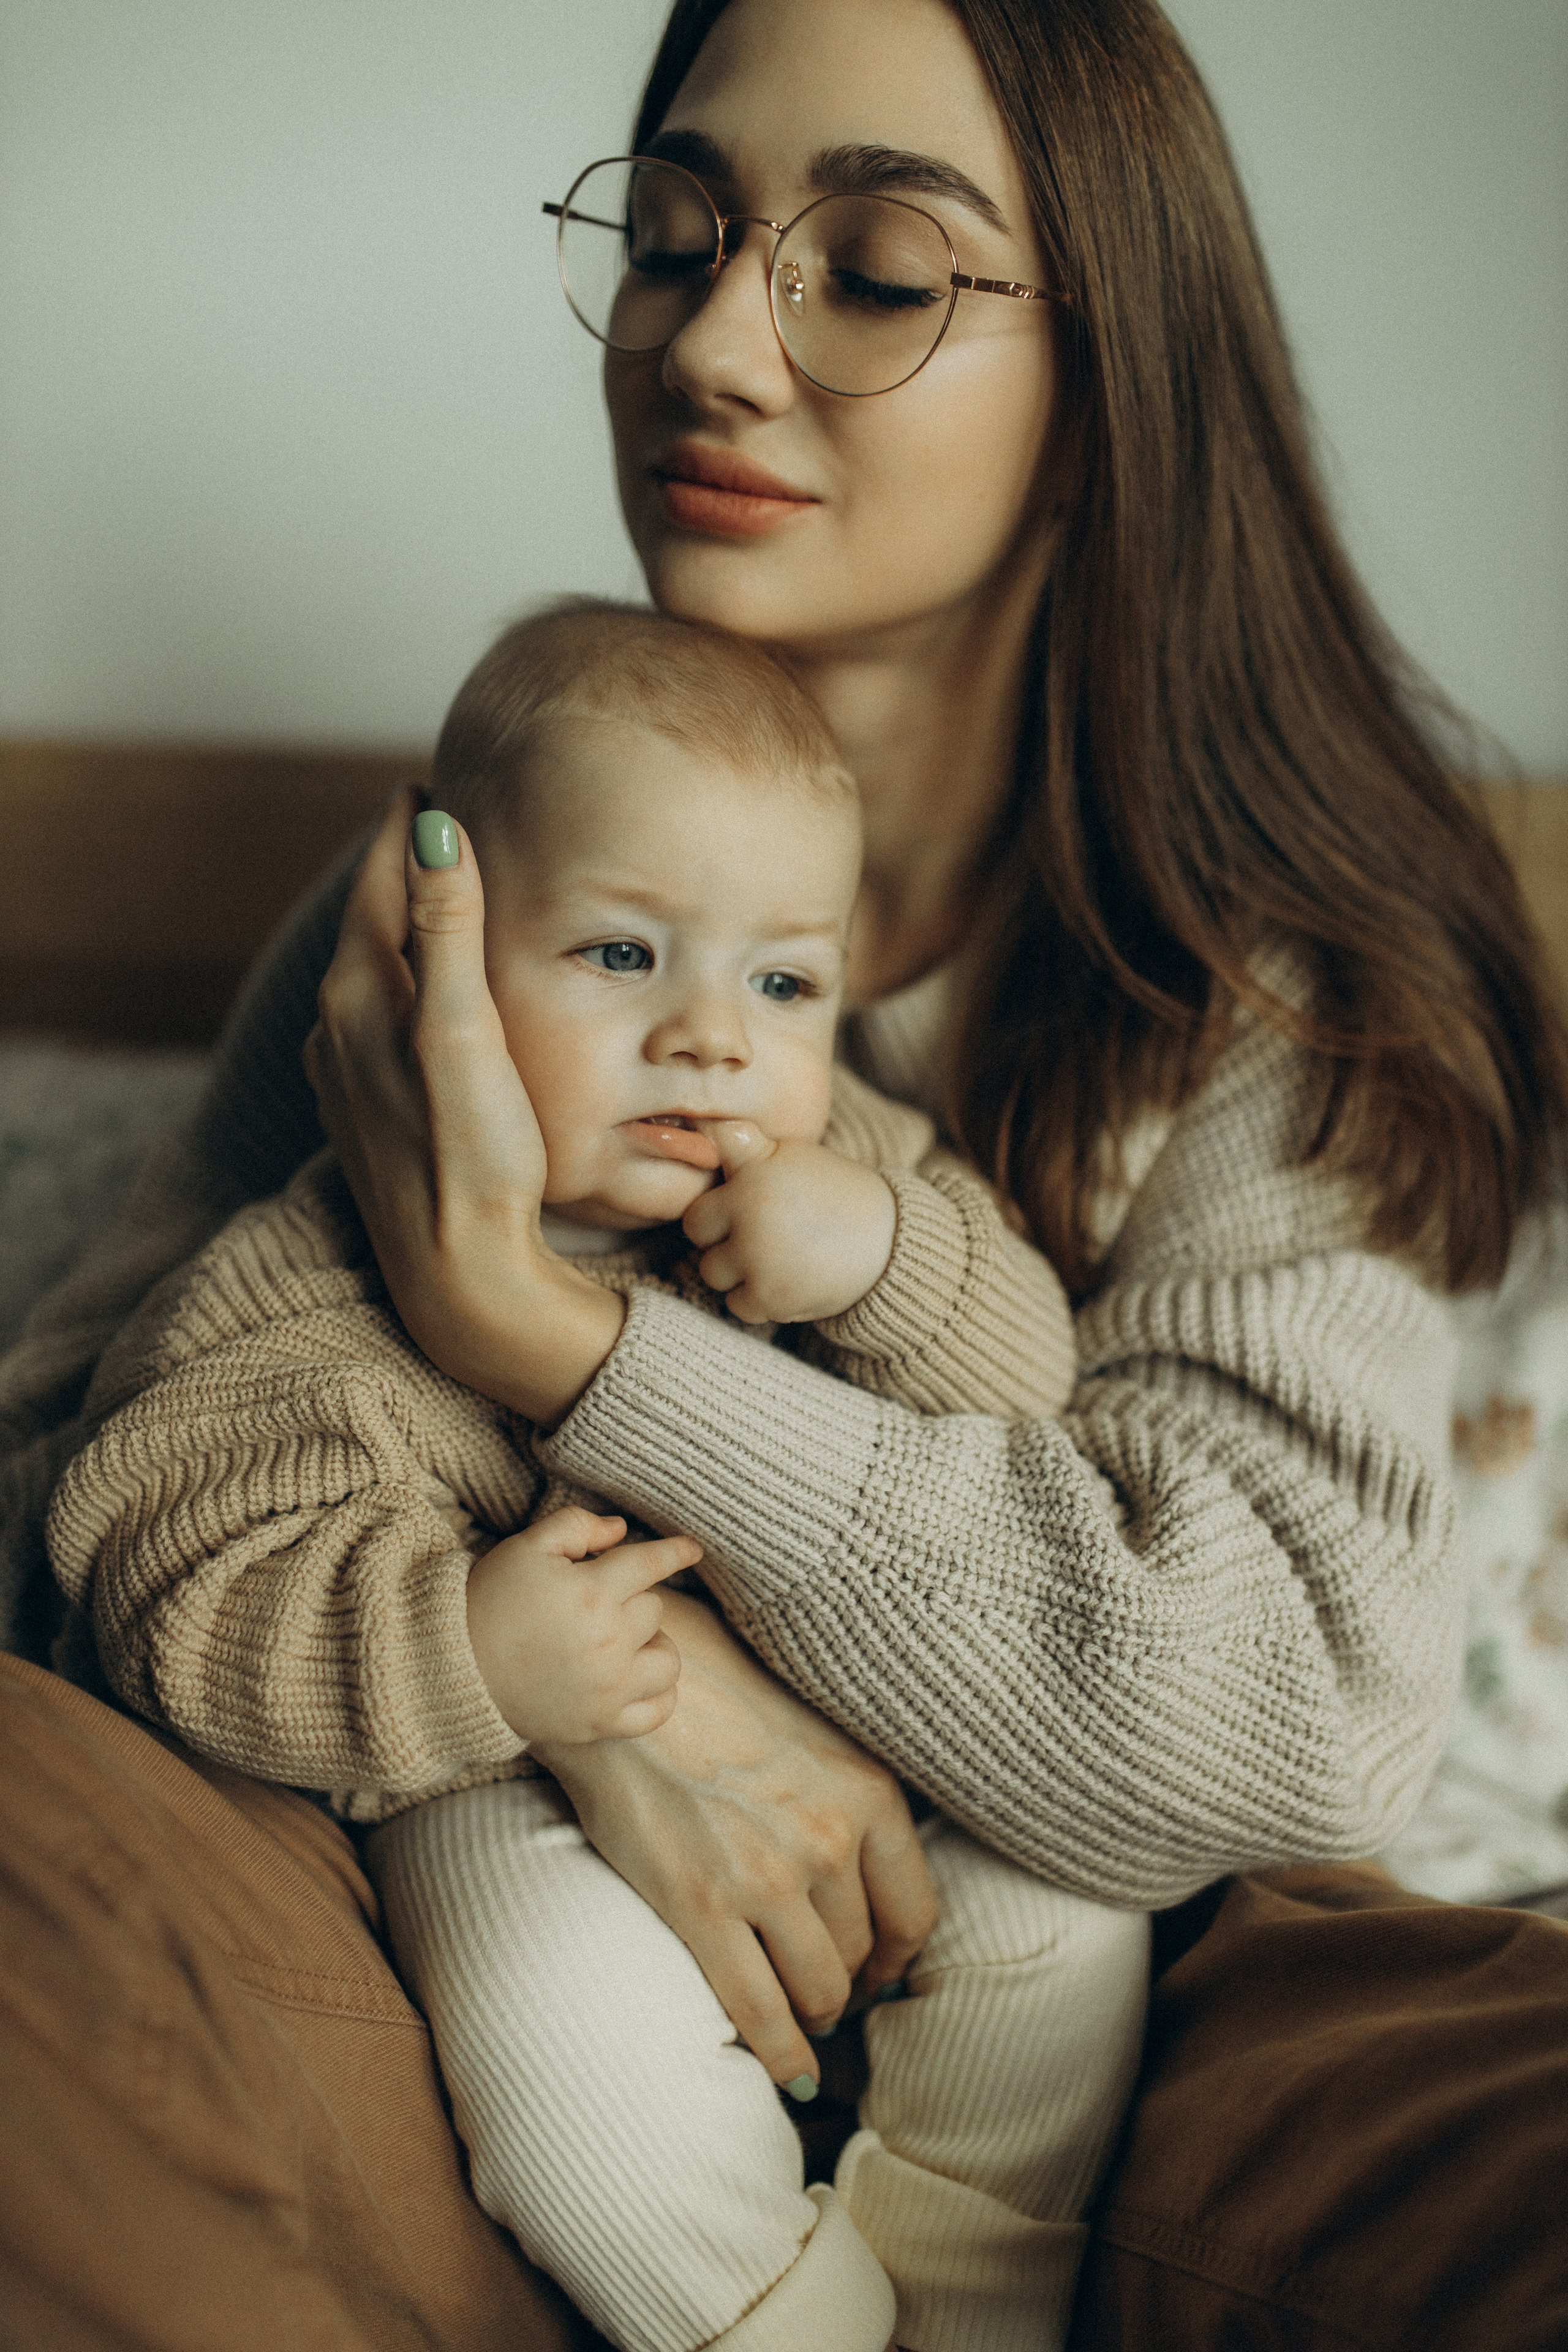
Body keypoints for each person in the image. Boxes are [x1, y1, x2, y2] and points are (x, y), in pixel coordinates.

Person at [3, 2, 1567, 2346]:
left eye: (873, 267)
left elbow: (1291, 1724)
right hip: (437, 1898)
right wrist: (598, 1705)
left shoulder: (1266, 993)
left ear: (1114, 364)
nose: (715, 340)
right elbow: (76, 1508)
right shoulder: (438, 912)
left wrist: (547, 1342)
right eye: (677, 237)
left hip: (1142, 1975)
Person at [49, 600, 1140, 2352]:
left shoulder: (856, 1164)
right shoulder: (312, 1290)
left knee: (1074, 1925)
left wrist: (882, 1259)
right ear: (437, 950)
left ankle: (973, 2292)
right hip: (508, 1790)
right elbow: (163, 1574)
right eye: (625, 957)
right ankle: (783, 2323)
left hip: (887, 1722)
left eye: (783, 982)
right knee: (572, 2089)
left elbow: (1032, 1382)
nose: (716, 1039)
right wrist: (467, 1649)